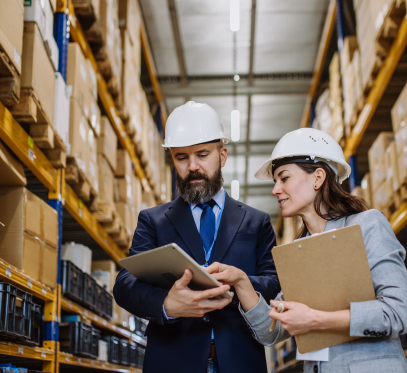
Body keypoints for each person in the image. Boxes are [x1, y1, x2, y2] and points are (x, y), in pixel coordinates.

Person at [206, 128, 407, 373]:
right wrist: (241, 281)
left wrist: (317, 319)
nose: (275, 189)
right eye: (275, 181)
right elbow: (271, 332)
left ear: (318, 178)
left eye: (283, 178)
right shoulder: (299, 253)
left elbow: (401, 311)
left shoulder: (366, 225)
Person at [113, 101, 281, 373]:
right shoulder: (153, 220)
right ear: (173, 161)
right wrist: (168, 304)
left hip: (240, 361)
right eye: (182, 157)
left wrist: (236, 283)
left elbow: (274, 284)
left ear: (222, 156)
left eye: (202, 155)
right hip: (172, 361)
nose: (192, 166)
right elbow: (125, 284)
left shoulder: (256, 221)